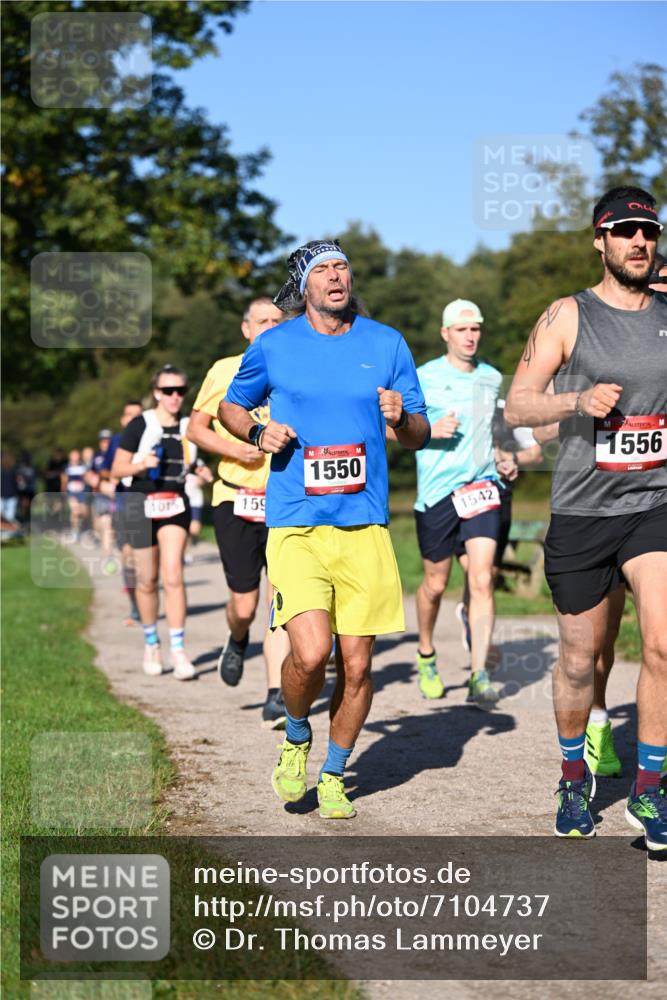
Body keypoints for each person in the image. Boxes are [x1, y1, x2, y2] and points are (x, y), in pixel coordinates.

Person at [219, 240, 430, 819]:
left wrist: (401, 418)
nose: (337, 277)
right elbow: (232, 408)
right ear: (304, 286)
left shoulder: (386, 342)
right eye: (324, 270)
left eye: (343, 268)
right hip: (296, 523)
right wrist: (258, 434)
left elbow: (419, 432)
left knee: (358, 666)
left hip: (364, 524)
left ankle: (335, 772)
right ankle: (295, 737)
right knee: (311, 654)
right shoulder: (275, 344)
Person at [505, 186, 667, 849]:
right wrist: (575, 401)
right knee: (578, 659)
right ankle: (573, 777)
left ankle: (649, 792)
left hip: (653, 505)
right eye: (625, 231)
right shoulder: (566, 316)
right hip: (581, 510)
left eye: (648, 232)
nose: (639, 242)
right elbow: (517, 405)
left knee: (662, 644)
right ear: (599, 240)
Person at [187, 297, 289, 727]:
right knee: (245, 604)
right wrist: (234, 448)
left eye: (276, 321)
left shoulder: (294, 368)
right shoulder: (224, 369)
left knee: (280, 600)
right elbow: (194, 428)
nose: (269, 327)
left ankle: (275, 693)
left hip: (284, 501)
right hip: (235, 498)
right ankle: (237, 635)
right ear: (246, 329)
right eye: (261, 321)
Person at [410, 299, 502, 707]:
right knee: (435, 584)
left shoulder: (492, 378)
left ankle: (478, 673)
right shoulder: (423, 377)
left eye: (476, 329)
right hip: (436, 493)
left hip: (482, 488)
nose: (470, 336)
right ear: (445, 333)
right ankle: (426, 654)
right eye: (462, 329)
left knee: (482, 579)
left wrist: (508, 456)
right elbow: (391, 431)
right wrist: (428, 430)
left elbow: (500, 430)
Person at [111, 366, 198, 680]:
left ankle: (178, 649)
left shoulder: (191, 426)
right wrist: (139, 464)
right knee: (147, 580)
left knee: (173, 574)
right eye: (168, 391)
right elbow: (115, 470)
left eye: (180, 391)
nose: (175, 397)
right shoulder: (140, 424)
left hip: (174, 503)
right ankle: (151, 643)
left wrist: (200, 471)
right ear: (157, 393)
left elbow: (196, 460)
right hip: (139, 504)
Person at [103, 401, 143, 623]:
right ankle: (135, 604)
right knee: (128, 556)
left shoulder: (153, 437)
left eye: (138, 415)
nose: (133, 420)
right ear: (122, 419)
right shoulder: (116, 441)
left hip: (148, 504)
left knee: (147, 560)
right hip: (124, 504)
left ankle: (146, 597)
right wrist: (104, 482)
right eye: (129, 415)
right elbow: (106, 471)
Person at [61, 448, 88, 541]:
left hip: (82, 492)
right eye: (73, 455)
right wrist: (63, 491)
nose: (75, 457)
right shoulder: (67, 466)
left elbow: (86, 478)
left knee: (84, 512)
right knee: (75, 511)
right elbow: (64, 480)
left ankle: (81, 527)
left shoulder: (83, 466)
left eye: (76, 455)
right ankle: (74, 531)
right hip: (71, 492)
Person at [1, 452, 19, 525]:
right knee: (8, 517)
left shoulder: (14, 471)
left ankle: (7, 531)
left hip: (11, 496)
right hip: (6, 496)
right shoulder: (14, 471)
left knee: (9, 517)